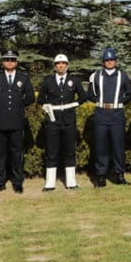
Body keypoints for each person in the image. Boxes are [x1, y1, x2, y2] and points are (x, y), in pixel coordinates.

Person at [0, 50, 36, 193]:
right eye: (7, 60)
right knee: (0, 154)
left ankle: (17, 182)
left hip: (16, 121)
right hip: (0, 122)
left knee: (16, 153)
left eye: (12, 59)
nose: (10, 62)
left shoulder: (23, 78)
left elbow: (31, 97)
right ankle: (0, 182)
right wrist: (1, 108)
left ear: (16, 62)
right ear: (3, 62)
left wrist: (19, 106)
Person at [36, 53, 88, 191]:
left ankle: (71, 182)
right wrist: (46, 105)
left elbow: (83, 96)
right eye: (58, 64)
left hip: (69, 120)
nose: (61, 65)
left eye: (63, 63)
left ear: (67, 65)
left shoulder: (74, 80)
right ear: (54, 66)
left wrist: (74, 104)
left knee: (69, 150)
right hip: (52, 120)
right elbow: (40, 99)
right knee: (51, 151)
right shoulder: (48, 81)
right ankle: (49, 183)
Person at [88, 47, 131, 187]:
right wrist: (101, 103)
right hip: (101, 115)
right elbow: (90, 94)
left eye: (112, 60)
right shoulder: (96, 76)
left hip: (117, 115)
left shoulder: (123, 76)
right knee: (101, 147)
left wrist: (119, 102)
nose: (109, 62)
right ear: (103, 62)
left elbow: (130, 93)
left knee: (118, 146)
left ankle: (119, 175)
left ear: (116, 61)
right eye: (107, 60)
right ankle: (101, 176)